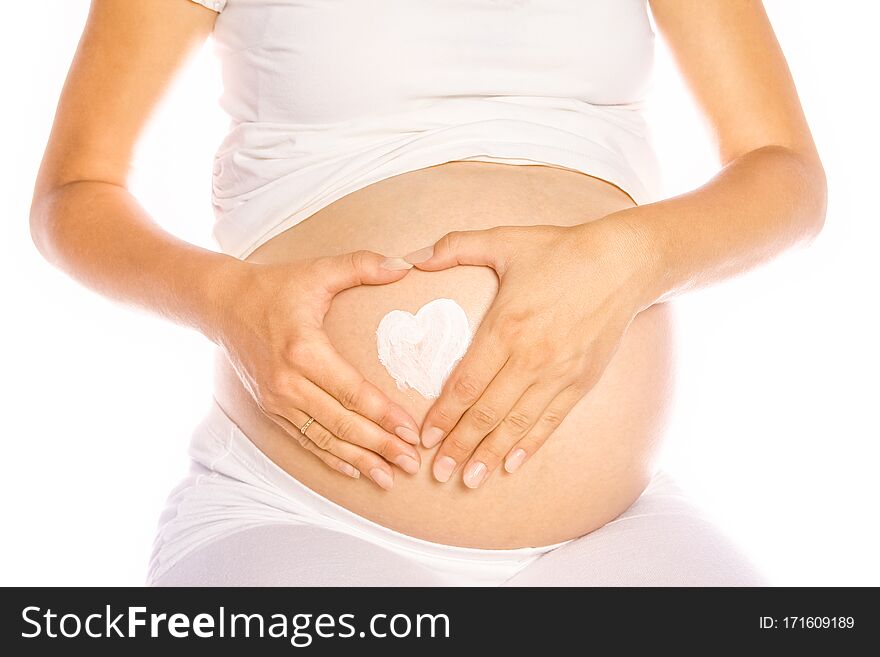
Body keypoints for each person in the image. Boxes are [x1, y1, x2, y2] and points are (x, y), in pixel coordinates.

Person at [30, 0, 825, 586]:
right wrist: (223, 299)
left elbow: (784, 171)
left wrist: (634, 256)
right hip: (295, 513)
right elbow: (73, 192)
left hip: (614, 527)